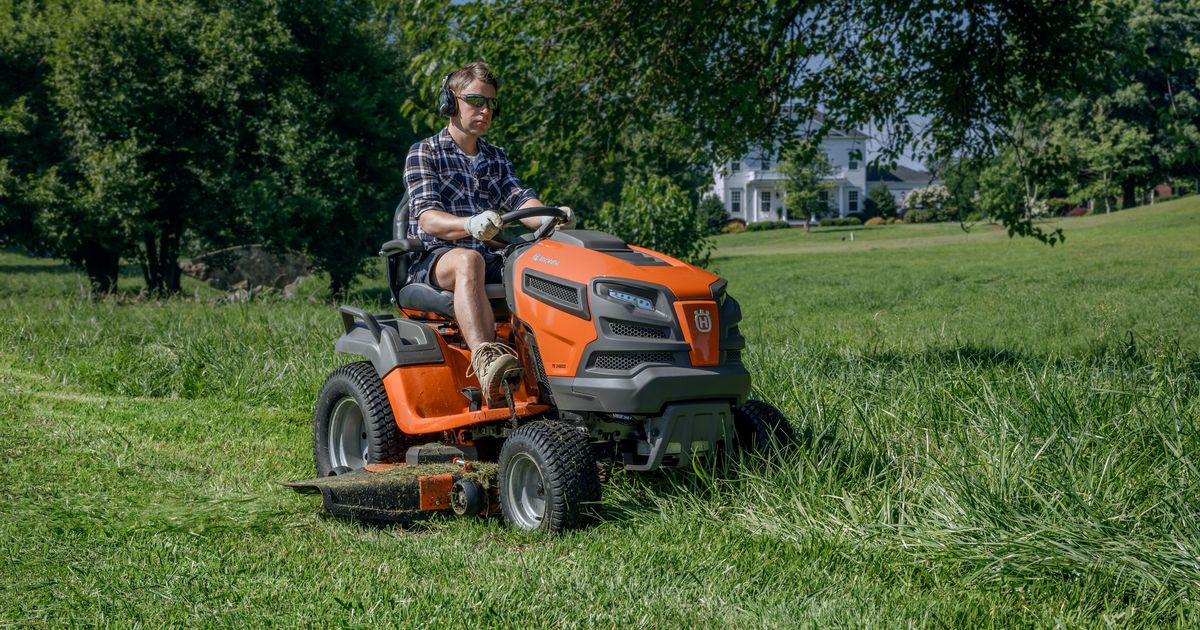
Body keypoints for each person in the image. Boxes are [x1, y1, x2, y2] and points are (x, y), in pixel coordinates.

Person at [403, 61, 573, 405]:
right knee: (469, 261)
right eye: (475, 101)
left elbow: (519, 198)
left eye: (491, 103)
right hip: (435, 258)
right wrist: (468, 224)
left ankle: (558, 364)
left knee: (542, 261)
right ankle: (487, 361)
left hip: (488, 254)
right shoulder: (425, 152)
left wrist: (551, 218)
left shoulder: (496, 156)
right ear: (450, 102)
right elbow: (428, 219)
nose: (485, 110)